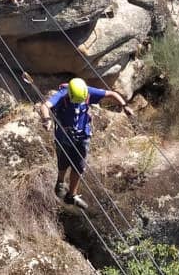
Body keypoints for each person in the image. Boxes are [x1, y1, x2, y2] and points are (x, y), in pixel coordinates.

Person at [39, 78, 134, 209]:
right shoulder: (63, 93)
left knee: (79, 166)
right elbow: (45, 106)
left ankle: (72, 195)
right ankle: (60, 183)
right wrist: (46, 119)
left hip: (83, 135)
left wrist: (124, 106)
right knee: (64, 161)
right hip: (64, 136)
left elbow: (112, 94)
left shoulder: (87, 92)